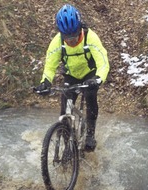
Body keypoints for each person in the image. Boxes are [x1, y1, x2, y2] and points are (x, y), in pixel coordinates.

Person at [34, 4, 110, 152]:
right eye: (67, 37)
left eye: (74, 36)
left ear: (79, 27)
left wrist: (98, 79)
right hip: (71, 76)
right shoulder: (57, 42)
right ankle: (68, 146)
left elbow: (103, 63)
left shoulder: (91, 38)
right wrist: (45, 82)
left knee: (90, 96)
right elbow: (50, 66)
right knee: (64, 111)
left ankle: (90, 134)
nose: (71, 41)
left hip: (90, 75)